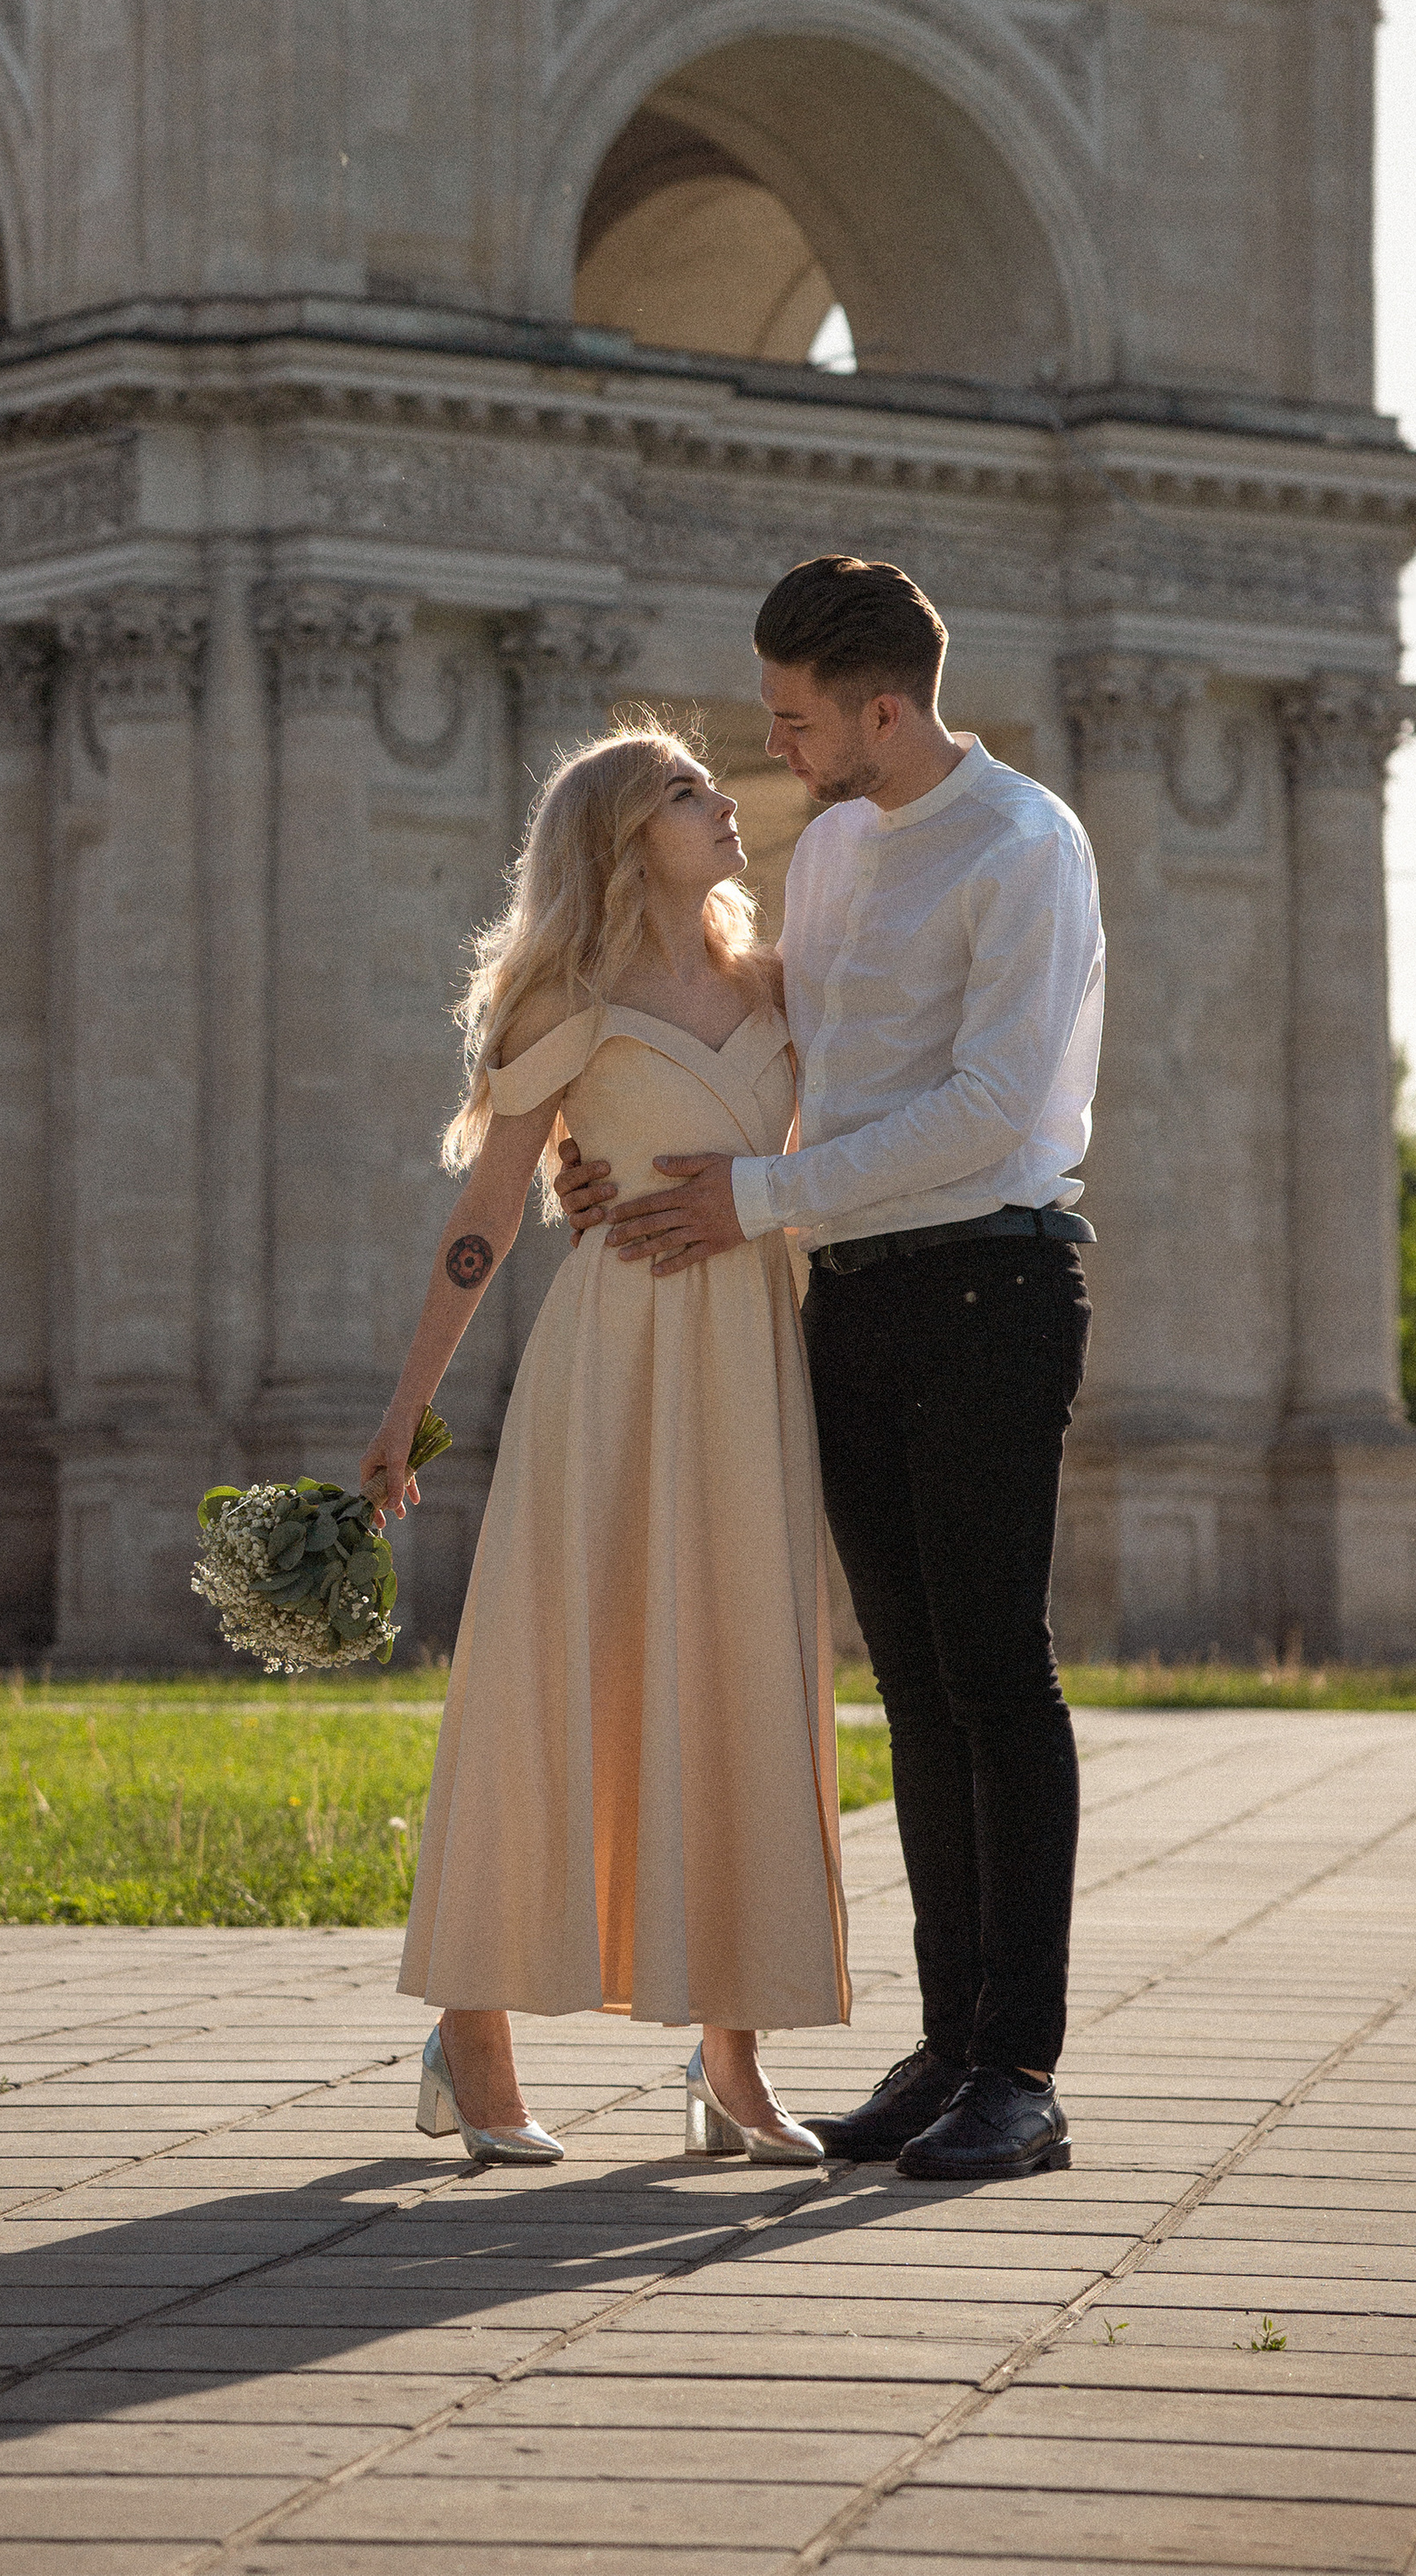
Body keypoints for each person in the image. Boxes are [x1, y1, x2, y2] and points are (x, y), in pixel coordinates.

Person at [557, 558, 1102, 2181]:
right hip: (849, 1294)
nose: (771, 749)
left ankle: (1021, 2067)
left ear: (882, 707)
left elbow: (994, 1107)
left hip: (994, 1282)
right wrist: (628, 1158)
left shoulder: (1025, 848)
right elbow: (792, 1061)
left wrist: (756, 1200)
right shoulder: (837, 846)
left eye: (795, 720)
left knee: (999, 1668)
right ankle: (945, 2047)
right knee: (915, 1683)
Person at [362, 727, 849, 2169]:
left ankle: (732, 2063)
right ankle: (475, 2038)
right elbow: (489, 1217)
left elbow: (831, 1157)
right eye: (687, 795)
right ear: (623, 839)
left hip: (754, 1370)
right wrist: (404, 1419)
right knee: (545, 1677)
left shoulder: (782, 988)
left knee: (746, 1679)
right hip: (613, 1368)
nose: (722, 807)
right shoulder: (561, 1002)